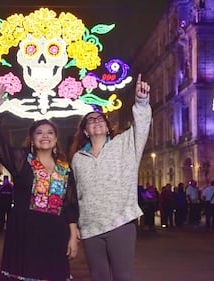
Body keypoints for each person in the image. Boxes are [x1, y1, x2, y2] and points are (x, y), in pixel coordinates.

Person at [0, 82, 79, 281]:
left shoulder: (65, 169)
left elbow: (70, 205)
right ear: (32, 139)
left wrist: (73, 236)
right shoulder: (21, 162)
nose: (44, 136)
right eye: (39, 133)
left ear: (55, 139)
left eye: (49, 133)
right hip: (25, 231)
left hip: (55, 232)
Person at [70, 74, 151, 281]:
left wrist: (141, 101)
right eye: (90, 120)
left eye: (100, 119)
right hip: (90, 228)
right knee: (99, 277)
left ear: (107, 128)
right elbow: (77, 193)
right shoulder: (78, 159)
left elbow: (141, 126)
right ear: (86, 132)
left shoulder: (125, 144)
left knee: (123, 277)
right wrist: (76, 225)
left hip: (120, 224)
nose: (96, 121)